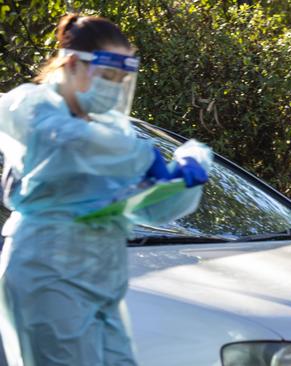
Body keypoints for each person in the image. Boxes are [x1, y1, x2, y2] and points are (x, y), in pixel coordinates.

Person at [0, 14, 211, 365]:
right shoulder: (33, 108)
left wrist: (187, 175)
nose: (115, 86)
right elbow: (69, 146)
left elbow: (149, 208)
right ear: (71, 64)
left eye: (121, 78)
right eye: (107, 76)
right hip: (45, 270)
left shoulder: (111, 131)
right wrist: (142, 155)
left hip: (101, 278)